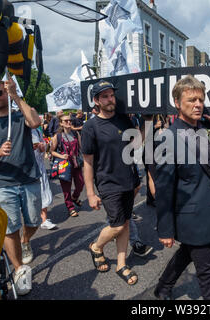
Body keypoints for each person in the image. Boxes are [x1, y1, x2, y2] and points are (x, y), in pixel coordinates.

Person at [153, 75, 210, 300]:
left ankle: (163, 287)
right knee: (208, 269)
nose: (198, 104)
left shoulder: (205, 129)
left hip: (207, 209)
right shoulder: (169, 138)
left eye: (201, 100)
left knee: (186, 253)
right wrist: (165, 229)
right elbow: (164, 188)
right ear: (177, 103)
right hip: (190, 214)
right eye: (191, 100)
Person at [0, 77, 42, 296]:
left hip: (29, 178)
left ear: (5, 93)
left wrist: (15, 96)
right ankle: (19, 269)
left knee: (33, 222)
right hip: (2, 184)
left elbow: (36, 123)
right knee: (9, 228)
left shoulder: (20, 114)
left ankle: (26, 240)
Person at [82, 80, 140, 285]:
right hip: (108, 183)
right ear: (96, 100)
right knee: (116, 225)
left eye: (111, 95)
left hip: (129, 180)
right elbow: (87, 163)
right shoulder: (90, 127)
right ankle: (96, 247)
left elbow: (137, 144)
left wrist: (146, 122)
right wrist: (90, 193)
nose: (110, 99)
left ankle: (121, 264)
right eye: (104, 96)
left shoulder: (124, 119)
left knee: (124, 224)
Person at [50, 113, 84, 218]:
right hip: (64, 165)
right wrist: (61, 155)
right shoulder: (58, 136)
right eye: (66, 121)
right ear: (61, 123)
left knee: (80, 184)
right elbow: (51, 151)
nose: (69, 122)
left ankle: (75, 197)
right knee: (66, 188)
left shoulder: (75, 134)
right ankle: (70, 207)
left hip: (76, 164)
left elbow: (81, 147)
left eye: (70, 120)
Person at [31, 126, 56, 230]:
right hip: (29, 167)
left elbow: (42, 146)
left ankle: (44, 220)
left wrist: (43, 146)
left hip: (39, 165)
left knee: (43, 191)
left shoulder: (37, 130)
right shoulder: (21, 129)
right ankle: (35, 219)